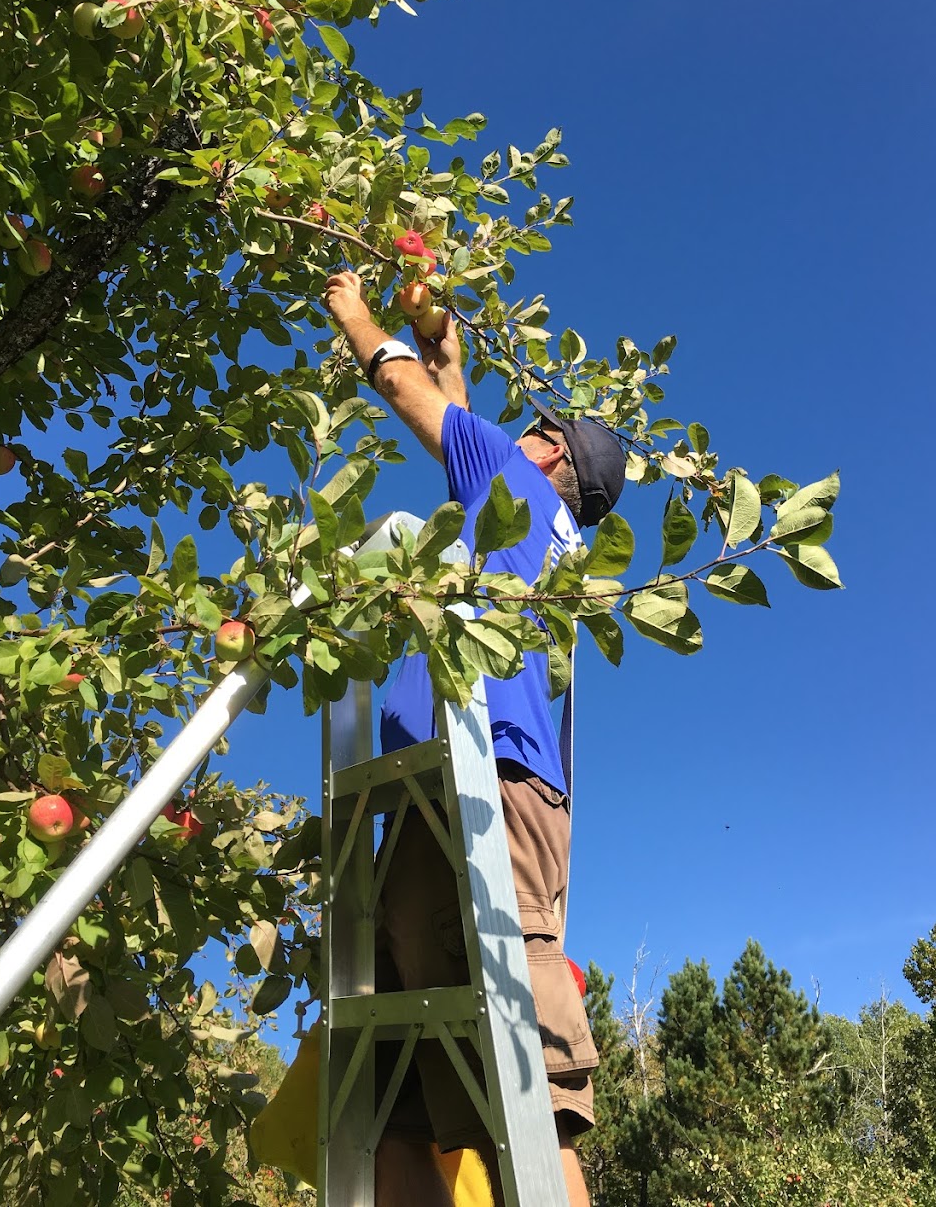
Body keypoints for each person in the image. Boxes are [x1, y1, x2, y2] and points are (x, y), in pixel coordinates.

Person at [323, 270, 627, 1207]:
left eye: (527, 429)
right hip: (436, 788)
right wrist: (447, 345)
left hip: (489, 787)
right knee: (398, 1097)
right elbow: (450, 393)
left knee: (525, 1091)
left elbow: (413, 393)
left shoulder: (512, 489)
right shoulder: (532, 526)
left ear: (542, 453)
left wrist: (358, 316)